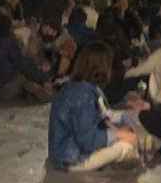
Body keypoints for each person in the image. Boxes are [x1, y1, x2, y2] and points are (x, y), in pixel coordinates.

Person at [47, 43, 139, 172]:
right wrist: (119, 134)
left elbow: (104, 115)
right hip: (69, 159)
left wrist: (124, 122)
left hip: (63, 153)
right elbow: (88, 140)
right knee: (126, 147)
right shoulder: (83, 94)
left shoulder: (77, 87)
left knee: (124, 134)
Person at [0, 12, 52, 102]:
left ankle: (30, 93)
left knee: (19, 74)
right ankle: (48, 97)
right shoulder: (8, 43)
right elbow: (23, 64)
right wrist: (43, 78)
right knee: (23, 78)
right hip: (2, 90)